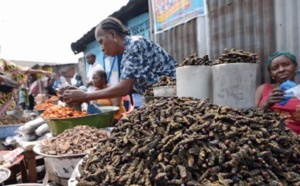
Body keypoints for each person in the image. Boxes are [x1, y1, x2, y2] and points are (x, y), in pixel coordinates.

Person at [63, 17, 176, 103]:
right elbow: (127, 87)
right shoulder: (126, 55)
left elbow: (124, 88)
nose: (101, 48)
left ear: (112, 34)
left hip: (174, 99)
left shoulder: (135, 45)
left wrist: (85, 96)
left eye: (101, 42)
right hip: (160, 101)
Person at [255, 51, 300, 134]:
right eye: (275, 68)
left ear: (295, 66)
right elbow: (249, 117)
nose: (281, 70)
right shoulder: (263, 89)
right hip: (268, 140)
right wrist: (266, 105)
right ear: (271, 74)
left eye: (286, 64)